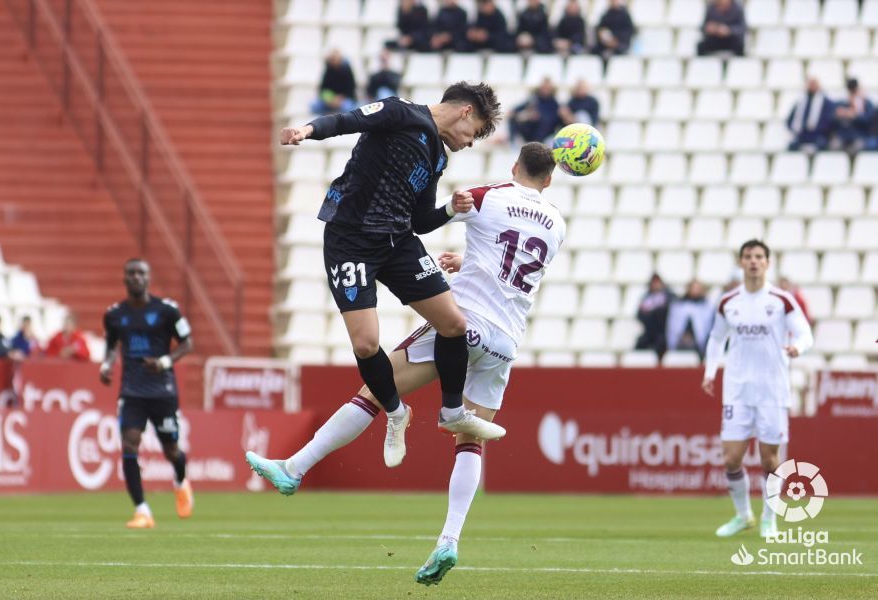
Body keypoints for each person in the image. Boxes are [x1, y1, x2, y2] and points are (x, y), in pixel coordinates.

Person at [246, 142, 566, 587]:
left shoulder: (488, 194)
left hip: (462, 323)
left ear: (514, 167)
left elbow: (427, 220)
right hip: (505, 341)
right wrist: (468, 262)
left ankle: (295, 468)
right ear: (549, 179)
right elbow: (509, 263)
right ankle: (449, 540)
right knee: (469, 443)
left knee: (374, 391)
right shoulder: (558, 223)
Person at [278, 82, 505, 445]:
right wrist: (307, 131)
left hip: (398, 242)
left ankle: (451, 414)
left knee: (453, 324)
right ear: (465, 111)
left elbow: (420, 222)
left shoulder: (437, 157)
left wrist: (450, 209)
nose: (469, 142)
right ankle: (397, 414)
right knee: (366, 345)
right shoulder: (401, 112)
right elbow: (347, 120)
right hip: (350, 241)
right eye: (474, 133)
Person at [702, 240, 813, 539]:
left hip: (772, 390)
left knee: (769, 458)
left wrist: (798, 347)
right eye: (748, 256)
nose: (753, 261)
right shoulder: (729, 302)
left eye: (759, 257)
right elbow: (716, 339)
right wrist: (710, 372)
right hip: (737, 389)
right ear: (741, 263)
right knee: (731, 458)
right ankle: (743, 515)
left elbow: (806, 333)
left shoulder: (781, 300)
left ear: (767, 263)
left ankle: (769, 519)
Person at [100, 258, 195, 529]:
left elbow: (188, 342)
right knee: (129, 445)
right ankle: (142, 511)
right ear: (124, 279)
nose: (136, 277)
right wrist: (106, 365)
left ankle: (180, 482)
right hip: (131, 391)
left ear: (148, 277)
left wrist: (164, 362)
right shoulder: (115, 314)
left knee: (172, 450)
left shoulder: (167, 310)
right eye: (131, 273)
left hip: (162, 391)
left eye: (141, 273)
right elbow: (111, 346)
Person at [665, 279, 715, 358]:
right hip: (680, 342)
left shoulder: (708, 306)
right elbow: (672, 325)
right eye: (693, 288)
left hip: (699, 344)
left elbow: (707, 327)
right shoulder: (678, 305)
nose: (694, 291)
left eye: (697, 288)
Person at [786, 77, 834, 152]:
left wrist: (818, 130)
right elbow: (789, 121)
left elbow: (829, 121)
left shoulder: (826, 102)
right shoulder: (800, 102)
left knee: (823, 146)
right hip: (801, 135)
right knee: (791, 147)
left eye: (813, 83)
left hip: (818, 135)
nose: (811, 86)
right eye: (809, 83)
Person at [509, 77, 561, 144]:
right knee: (514, 118)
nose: (545, 90)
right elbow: (516, 110)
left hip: (545, 133)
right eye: (544, 87)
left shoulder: (554, 103)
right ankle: (513, 142)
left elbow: (554, 119)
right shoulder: (534, 99)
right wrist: (526, 115)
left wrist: (539, 116)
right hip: (530, 129)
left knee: (544, 121)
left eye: (547, 88)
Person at [634, 273, 673, 360]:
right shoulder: (646, 298)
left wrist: (654, 313)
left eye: (657, 283)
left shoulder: (669, 296)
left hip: (664, 331)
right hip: (650, 330)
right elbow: (640, 315)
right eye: (654, 283)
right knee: (641, 342)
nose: (656, 285)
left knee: (661, 342)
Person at [311, 49, 358, 116]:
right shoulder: (328, 70)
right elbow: (323, 89)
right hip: (330, 100)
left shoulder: (347, 70)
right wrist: (329, 99)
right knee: (315, 106)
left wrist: (340, 98)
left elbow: (350, 89)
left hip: (344, 99)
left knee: (348, 107)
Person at [832, 78, 874, 153]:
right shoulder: (842, 103)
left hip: (859, 135)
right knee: (834, 147)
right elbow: (832, 120)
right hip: (842, 135)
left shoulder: (866, 103)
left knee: (858, 146)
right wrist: (840, 114)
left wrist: (855, 115)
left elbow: (868, 121)